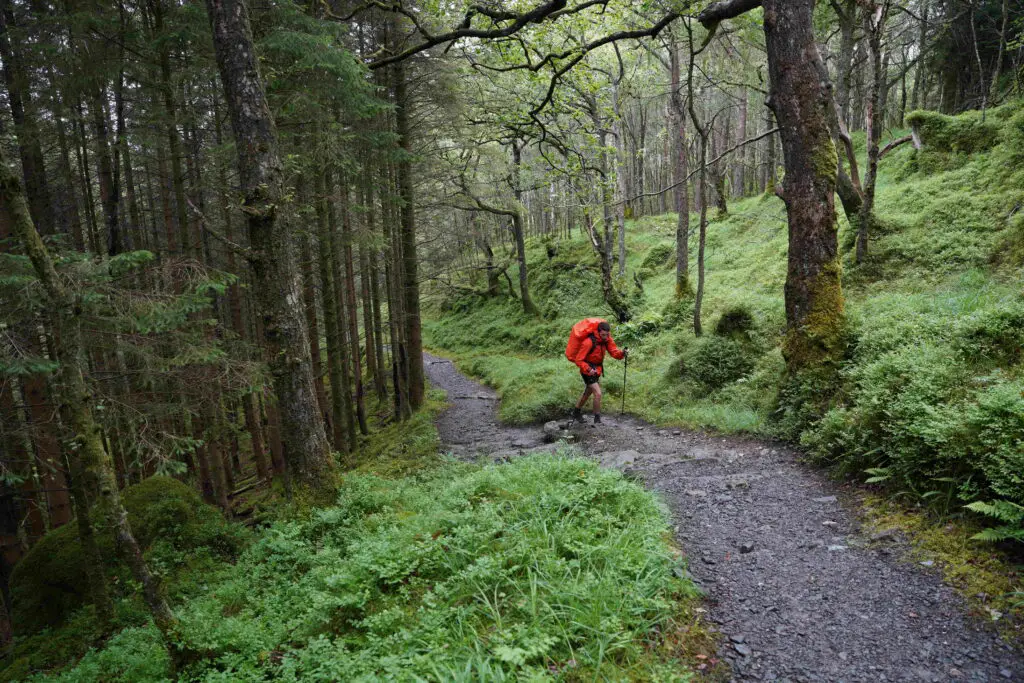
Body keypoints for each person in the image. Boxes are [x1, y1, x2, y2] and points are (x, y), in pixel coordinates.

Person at [571, 321, 627, 424]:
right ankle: (597, 419)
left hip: (597, 370)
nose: (605, 337)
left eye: (607, 335)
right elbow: (579, 360)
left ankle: (576, 412)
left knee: (588, 392)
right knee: (598, 393)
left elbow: (614, 352)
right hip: (587, 370)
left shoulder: (606, 340)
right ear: (598, 332)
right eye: (603, 335)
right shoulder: (588, 342)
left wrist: (622, 353)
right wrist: (588, 369)